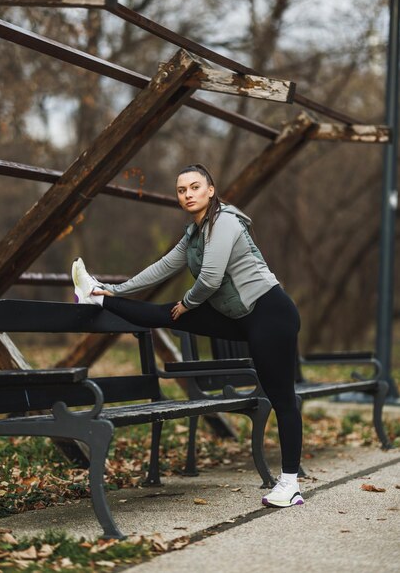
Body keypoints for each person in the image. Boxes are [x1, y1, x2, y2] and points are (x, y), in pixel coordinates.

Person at [72, 162, 303, 508]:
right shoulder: (193, 233)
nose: (188, 194)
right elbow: (162, 267)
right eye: (182, 190)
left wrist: (187, 302)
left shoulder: (225, 221)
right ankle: (98, 296)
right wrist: (115, 288)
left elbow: (210, 278)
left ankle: (290, 484)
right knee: (168, 315)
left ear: (210, 190)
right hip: (238, 315)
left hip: (270, 314)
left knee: (281, 397)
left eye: (195, 187)